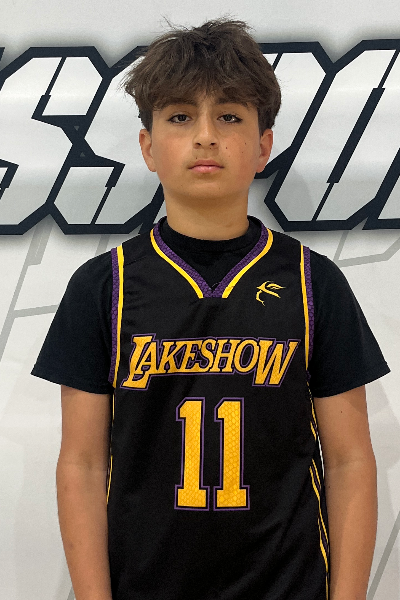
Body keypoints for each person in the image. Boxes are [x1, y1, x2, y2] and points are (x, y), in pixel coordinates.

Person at [31, 18, 390, 600]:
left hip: (289, 585)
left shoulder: (313, 283)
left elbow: (350, 460)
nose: (205, 136)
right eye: (180, 117)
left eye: (229, 116)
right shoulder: (104, 286)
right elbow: (82, 463)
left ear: (263, 146)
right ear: (148, 147)